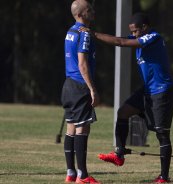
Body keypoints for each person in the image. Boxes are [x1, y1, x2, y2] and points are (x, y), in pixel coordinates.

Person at [81, 12, 173, 183]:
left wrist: (92, 33)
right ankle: (119, 154)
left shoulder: (153, 36)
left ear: (145, 28)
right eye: (131, 32)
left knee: (162, 134)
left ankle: (164, 177)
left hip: (162, 91)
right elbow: (117, 39)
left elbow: (121, 42)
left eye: (135, 31)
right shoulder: (140, 37)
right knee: (123, 112)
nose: (132, 35)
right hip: (147, 90)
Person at [61, 0, 100, 183]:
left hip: (68, 85)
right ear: (81, 14)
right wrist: (92, 89)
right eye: (89, 9)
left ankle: (70, 173)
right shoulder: (84, 34)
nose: (93, 11)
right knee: (82, 129)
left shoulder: (70, 31)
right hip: (79, 85)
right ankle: (83, 175)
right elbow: (82, 64)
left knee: (71, 129)